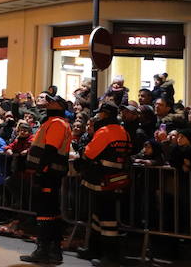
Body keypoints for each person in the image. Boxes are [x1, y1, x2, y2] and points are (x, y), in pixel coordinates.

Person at [76, 102, 133, 267]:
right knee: (98, 214)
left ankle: (109, 256)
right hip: (117, 179)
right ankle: (94, 250)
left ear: (106, 114)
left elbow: (88, 153)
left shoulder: (105, 131)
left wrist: (81, 155)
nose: (97, 116)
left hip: (101, 178)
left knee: (106, 218)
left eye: (100, 114)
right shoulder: (124, 132)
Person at [20, 94, 72, 264]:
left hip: (49, 173)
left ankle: (44, 250)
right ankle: (53, 251)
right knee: (51, 212)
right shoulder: (52, 122)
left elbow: (50, 149)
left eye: (52, 101)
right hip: (49, 172)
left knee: (45, 212)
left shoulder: (57, 123)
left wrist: (41, 170)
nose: (48, 103)